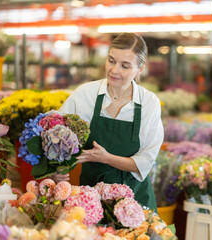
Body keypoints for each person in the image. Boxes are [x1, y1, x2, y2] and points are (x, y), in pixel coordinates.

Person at [52, 33, 164, 211]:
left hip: (135, 201)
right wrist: (57, 169)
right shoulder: (85, 95)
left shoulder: (149, 103)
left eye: (125, 66)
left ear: (140, 69)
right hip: (90, 199)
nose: (114, 70)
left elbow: (144, 161)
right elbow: (54, 132)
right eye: (111, 61)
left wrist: (106, 159)